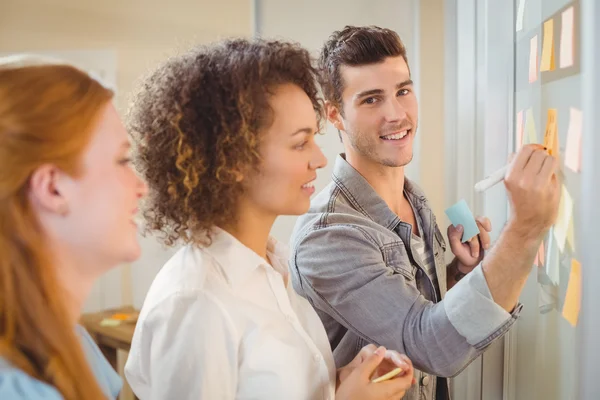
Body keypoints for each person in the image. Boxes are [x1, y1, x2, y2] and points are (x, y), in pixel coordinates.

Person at [124, 38, 415, 400]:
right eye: (299, 143)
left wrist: (339, 381)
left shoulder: (272, 269)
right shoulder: (197, 303)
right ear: (232, 161)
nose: (320, 160)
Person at [290, 25, 561, 400]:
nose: (396, 114)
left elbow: (416, 311)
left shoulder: (414, 199)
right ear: (335, 115)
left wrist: (461, 276)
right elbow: (431, 345)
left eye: (403, 91)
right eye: (371, 100)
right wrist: (528, 228)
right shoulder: (327, 236)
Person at [0, 56, 147, 400]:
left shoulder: (73, 343)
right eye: (122, 161)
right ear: (53, 188)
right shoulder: (18, 387)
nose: (142, 187)